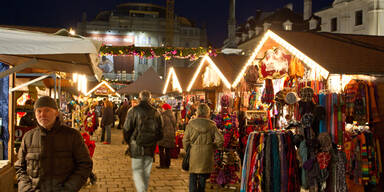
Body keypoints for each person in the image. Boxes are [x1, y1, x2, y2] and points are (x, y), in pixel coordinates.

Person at [15, 96, 92, 191]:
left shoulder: (72, 136)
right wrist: (26, 189)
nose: (42, 114)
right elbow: (20, 168)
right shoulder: (28, 137)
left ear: (56, 112)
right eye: (39, 111)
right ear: (35, 114)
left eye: (47, 110)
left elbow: (85, 164)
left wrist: (69, 189)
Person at [123, 90, 163, 192]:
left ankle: (141, 190)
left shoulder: (133, 110)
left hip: (136, 145)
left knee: (137, 170)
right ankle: (143, 189)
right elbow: (161, 131)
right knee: (146, 171)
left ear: (139, 98)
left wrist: (129, 142)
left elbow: (126, 129)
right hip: (150, 146)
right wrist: (154, 140)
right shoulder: (156, 112)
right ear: (150, 99)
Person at [183, 103, 224, 192]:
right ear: (208, 112)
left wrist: (188, 150)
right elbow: (220, 140)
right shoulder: (212, 125)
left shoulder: (191, 124)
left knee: (193, 175)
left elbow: (185, 140)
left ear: (197, 112)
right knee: (203, 177)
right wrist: (212, 146)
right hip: (207, 154)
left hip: (194, 153)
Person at [157, 103, 177, 169]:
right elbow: (175, 125)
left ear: (165, 108)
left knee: (161, 150)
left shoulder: (163, 116)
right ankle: (167, 164)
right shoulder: (173, 115)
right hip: (171, 135)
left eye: (162, 108)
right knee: (168, 151)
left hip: (163, 135)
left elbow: (161, 126)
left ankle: (162, 164)